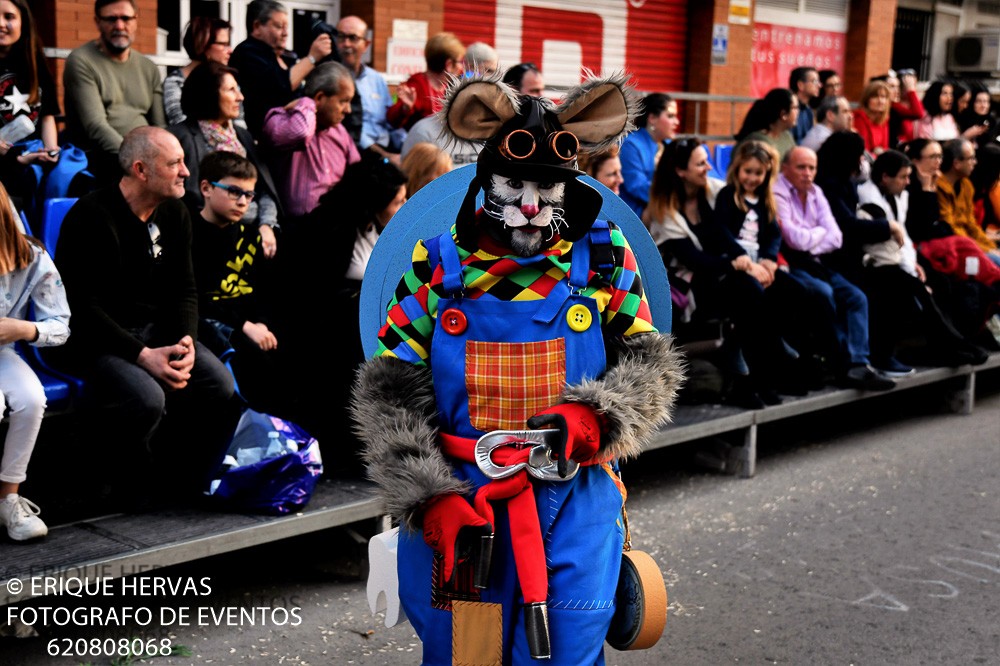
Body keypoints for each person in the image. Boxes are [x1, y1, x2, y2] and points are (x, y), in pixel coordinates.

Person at [351, 75, 683, 665]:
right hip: (463, 501)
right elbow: (388, 389)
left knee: (569, 645)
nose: (531, 204)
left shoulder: (604, 256)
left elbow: (649, 359)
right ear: (486, 178)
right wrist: (428, 495)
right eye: (514, 185)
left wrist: (597, 418)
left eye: (548, 187)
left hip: (574, 494)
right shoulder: (436, 263)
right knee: (464, 652)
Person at [54, 127, 237, 502]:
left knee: (217, 384)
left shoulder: (175, 212)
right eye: (174, 164)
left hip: (155, 331)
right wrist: (142, 356)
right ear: (141, 170)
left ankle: (178, 477)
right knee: (146, 397)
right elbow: (82, 309)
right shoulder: (90, 216)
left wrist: (185, 341)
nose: (186, 171)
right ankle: (110, 486)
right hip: (95, 338)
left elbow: (185, 288)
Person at [646, 137, 793, 407]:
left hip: (725, 277)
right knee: (747, 291)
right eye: (701, 163)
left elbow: (748, 226)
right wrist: (737, 263)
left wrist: (764, 261)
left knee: (772, 286)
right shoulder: (664, 213)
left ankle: (763, 375)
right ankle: (752, 378)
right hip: (692, 290)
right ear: (681, 171)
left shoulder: (714, 191)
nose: (708, 167)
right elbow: (696, 261)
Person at [190, 151, 314, 433]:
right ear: (207, 188)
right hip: (215, 325)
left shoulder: (249, 235)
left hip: (250, 320)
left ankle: (296, 444)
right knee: (255, 360)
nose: (243, 201)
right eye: (234, 192)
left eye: (249, 194)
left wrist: (260, 323)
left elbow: (262, 291)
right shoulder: (190, 233)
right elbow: (196, 298)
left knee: (301, 348)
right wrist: (247, 326)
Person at [774, 146, 896, 390]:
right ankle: (841, 360)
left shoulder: (817, 192)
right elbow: (792, 240)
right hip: (793, 264)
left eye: (812, 168)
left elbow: (836, 237)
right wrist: (819, 235)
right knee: (824, 293)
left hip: (818, 263)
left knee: (857, 297)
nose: (807, 173)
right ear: (785, 168)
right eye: (801, 167)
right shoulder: (777, 192)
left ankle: (859, 364)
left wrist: (811, 237)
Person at [857, 150, 989, 367]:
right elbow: (892, 242)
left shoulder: (900, 195)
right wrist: (911, 270)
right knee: (915, 287)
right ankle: (954, 344)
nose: (908, 182)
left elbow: (905, 237)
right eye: (903, 177)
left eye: (909, 176)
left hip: (899, 259)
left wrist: (913, 265)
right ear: (885, 177)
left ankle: (948, 345)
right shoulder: (868, 197)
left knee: (941, 282)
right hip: (876, 263)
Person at [0, 183, 70, 540]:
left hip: (2, 351)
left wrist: (22, 328)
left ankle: (9, 498)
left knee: (31, 398)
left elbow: (60, 326)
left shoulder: (30, 255)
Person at [168, 61, 281, 259]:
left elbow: (264, 189)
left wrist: (267, 225)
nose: (240, 97)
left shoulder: (243, 136)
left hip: (254, 232)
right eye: (231, 90)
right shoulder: (181, 137)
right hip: (205, 240)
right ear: (210, 93)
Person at [62, 0, 165, 185]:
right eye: (111, 19)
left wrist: (163, 156)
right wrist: (135, 159)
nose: (119, 26)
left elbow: (159, 126)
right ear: (97, 21)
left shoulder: (148, 67)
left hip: (144, 157)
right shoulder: (81, 61)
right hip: (100, 157)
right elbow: (96, 126)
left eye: (126, 18)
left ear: (136, 20)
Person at [261, 61, 360, 219]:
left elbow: (358, 174)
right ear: (319, 97)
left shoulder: (339, 131)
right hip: (295, 227)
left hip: (335, 225)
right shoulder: (280, 120)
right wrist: (307, 103)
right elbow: (302, 133)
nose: (348, 110)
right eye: (343, 101)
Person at [229, 0, 334, 138]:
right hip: (265, 138)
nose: (285, 33)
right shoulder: (247, 52)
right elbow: (280, 85)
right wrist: (312, 58)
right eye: (279, 27)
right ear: (257, 26)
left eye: (286, 27)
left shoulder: (284, 55)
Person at [0, 0, 61, 201]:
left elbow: (47, 117)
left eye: (9, 17)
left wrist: (51, 152)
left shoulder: (36, 64)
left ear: (23, 22)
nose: (1, 23)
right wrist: (17, 159)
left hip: (33, 159)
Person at [335, 15, 404, 161]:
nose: (346, 44)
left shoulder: (376, 79)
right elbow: (349, 130)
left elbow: (390, 123)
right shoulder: (331, 78)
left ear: (366, 45)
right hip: (356, 154)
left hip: (385, 148)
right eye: (341, 37)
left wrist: (408, 146)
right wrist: (386, 157)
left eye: (353, 38)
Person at [162, 17, 236, 127]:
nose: (230, 50)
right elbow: (180, 123)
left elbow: (238, 121)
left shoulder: (228, 79)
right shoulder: (176, 82)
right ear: (203, 45)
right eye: (223, 44)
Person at [937, 138, 1000, 264]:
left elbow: (971, 225)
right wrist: (984, 249)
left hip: (974, 244)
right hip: (956, 249)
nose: (975, 162)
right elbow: (951, 228)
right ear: (957, 163)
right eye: (971, 158)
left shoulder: (966, 186)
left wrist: (991, 248)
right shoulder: (939, 188)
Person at [386, 32, 465, 131]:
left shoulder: (449, 86)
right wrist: (405, 108)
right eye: (460, 62)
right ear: (449, 65)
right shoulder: (417, 85)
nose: (461, 67)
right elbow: (392, 120)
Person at [619, 92, 679, 219]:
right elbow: (636, 186)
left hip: (663, 204)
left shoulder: (670, 145)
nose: (677, 122)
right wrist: (673, 195)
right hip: (635, 211)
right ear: (652, 118)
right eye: (670, 116)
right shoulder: (630, 145)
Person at [734, 88, 798, 161]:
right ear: (783, 114)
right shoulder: (760, 142)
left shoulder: (787, 136)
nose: (798, 112)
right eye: (795, 108)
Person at [913, 80, 987, 143]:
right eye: (945, 93)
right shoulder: (925, 117)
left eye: (951, 94)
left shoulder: (949, 118)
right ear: (935, 95)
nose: (949, 98)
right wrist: (965, 136)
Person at [853, 80, 892, 157]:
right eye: (875, 97)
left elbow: (884, 149)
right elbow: (863, 151)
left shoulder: (884, 120)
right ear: (867, 100)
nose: (880, 101)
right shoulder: (859, 118)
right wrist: (877, 153)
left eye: (883, 97)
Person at [956, 82, 998, 148]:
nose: (983, 105)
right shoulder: (962, 120)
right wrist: (967, 135)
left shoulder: (992, 122)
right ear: (972, 102)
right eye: (979, 101)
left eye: (986, 101)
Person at [789, 67, 819, 143]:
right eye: (815, 81)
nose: (819, 85)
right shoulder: (788, 110)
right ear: (800, 85)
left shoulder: (808, 111)